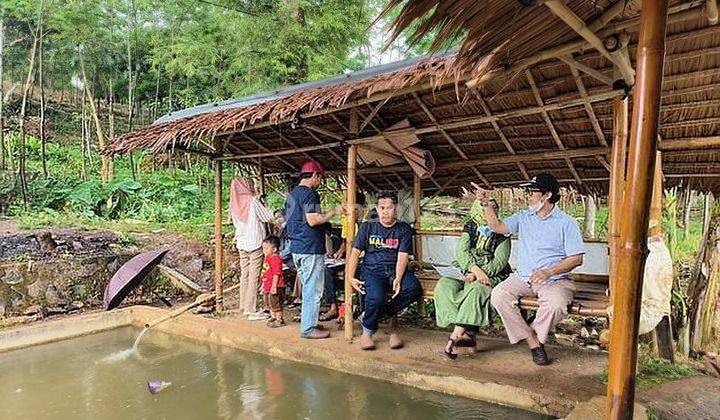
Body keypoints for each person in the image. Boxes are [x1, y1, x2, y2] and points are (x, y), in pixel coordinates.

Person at [477, 173, 585, 365]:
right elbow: (497, 227)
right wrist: (486, 204)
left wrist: (549, 272)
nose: (528, 195)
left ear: (547, 195)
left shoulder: (567, 223)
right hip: (523, 278)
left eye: (532, 192)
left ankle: (533, 333)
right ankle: (533, 342)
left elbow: (576, 259)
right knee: (498, 295)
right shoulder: (524, 217)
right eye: (527, 191)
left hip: (555, 280)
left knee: (556, 305)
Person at [434, 198, 512, 359]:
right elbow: (462, 253)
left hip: (492, 276)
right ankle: (468, 334)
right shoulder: (470, 226)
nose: (491, 212)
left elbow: (499, 262)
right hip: (468, 272)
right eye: (486, 208)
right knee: (444, 286)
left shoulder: (503, 232)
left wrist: (478, 274)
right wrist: (473, 270)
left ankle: (454, 338)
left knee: (476, 289)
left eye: (494, 209)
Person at [346, 190, 422, 351]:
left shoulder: (403, 229)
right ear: (377, 209)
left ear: (396, 209)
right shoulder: (368, 227)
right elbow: (355, 253)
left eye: (389, 208)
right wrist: (350, 277)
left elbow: (402, 256)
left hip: (395, 269)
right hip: (372, 270)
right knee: (376, 297)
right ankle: (367, 332)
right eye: (382, 208)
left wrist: (398, 279)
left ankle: (383, 315)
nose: (385, 212)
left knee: (413, 288)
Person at [284, 160, 343, 339]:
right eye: (320, 178)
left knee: (308, 286)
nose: (320, 182)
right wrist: (334, 211)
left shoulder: (292, 194)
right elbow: (313, 219)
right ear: (315, 175)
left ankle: (309, 321)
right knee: (313, 289)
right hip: (310, 248)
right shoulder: (310, 195)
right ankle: (308, 328)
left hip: (296, 247)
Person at [229, 177, 273, 319]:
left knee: (245, 275)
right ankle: (251, 309)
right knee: (254, 276)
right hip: (254, 243)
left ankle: (243, 305)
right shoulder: (252, 201)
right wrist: (275, 212)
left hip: (242, 243)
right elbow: (267, 217)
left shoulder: (234, 203)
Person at [320, 193, 367, 322]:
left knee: (352, 272)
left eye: (356, 209)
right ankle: (333, 307)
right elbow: (345, 241)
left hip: (362, 259)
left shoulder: (367, 223)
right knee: (327, 269)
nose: (353, 211)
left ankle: (351, 309)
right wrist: (339, 252)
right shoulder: (347, 220)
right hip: (348, 257)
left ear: (363, 208)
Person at [260, 235, 286, 328]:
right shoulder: (267, 257)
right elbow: (265, 270)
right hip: (267, 285)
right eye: (263, 248)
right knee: (269, 303)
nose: (264, 251)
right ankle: (273, 317)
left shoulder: (275, 258)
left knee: (275, 303)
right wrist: (262, 280)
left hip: (275, 286)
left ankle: (279, 319)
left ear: (274, 249)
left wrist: (274, 286)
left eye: (266, 248)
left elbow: (276, 274)